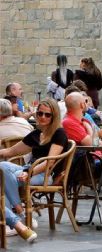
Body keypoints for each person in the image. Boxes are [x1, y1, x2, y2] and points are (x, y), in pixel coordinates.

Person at [0, 98, 70, 243]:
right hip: (28, 169)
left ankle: (13, 220)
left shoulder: (59, 133)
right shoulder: (37, 133)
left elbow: (49, 162)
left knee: (2, 180)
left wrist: (28, 172)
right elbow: (11, 151)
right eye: (40, 113)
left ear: (54, 116)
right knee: (2, 168)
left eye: (47, 115)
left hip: (44, 174)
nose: (42, 117)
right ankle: (19, 211)